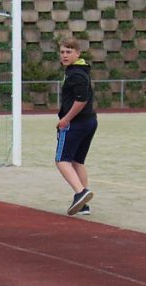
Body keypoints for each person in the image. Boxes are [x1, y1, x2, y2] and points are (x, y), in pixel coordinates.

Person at [56, 37, 97, 216]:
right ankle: (83, 204)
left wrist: (66, 119)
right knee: (77, 162)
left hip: (77, 123)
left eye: (69, 52)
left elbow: (82, 100)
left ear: (77, 53)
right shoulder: (79, 70)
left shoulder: (76, 74)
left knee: (62, 161)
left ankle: (81, 192)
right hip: (89, 121)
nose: (65, 55)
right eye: (63, 52)